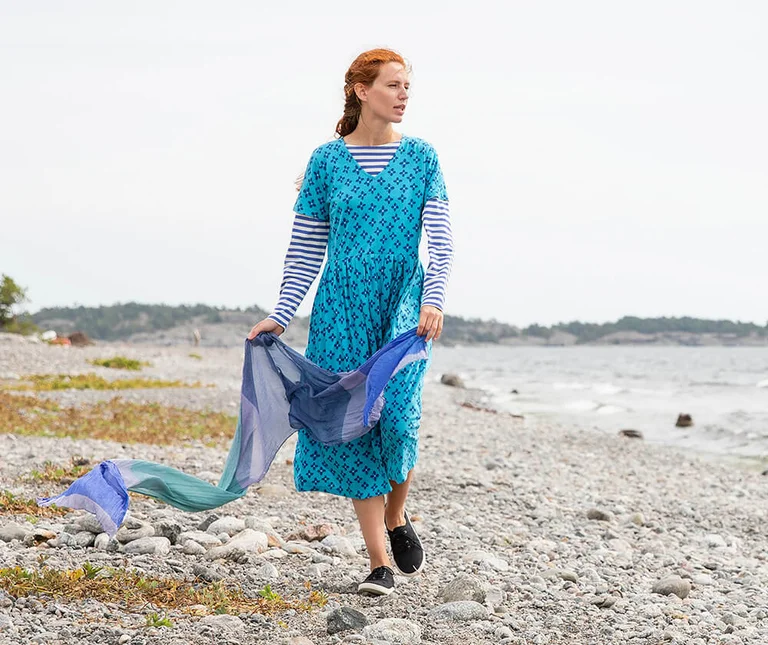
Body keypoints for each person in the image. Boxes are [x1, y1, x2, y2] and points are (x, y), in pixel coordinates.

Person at [248, 48, 454, 596]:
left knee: (400, 420)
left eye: (408, 85)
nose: (404, 94)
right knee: (354, 424)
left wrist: (433, 299)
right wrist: (282, 313)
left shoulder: (422, 157)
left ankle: (396, 514)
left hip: (403, 310)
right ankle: (378, 562)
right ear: (362, 90)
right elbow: (305, 250)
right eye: (393, 85)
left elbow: (441, 239)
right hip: (341, 310)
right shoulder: (326, 162)